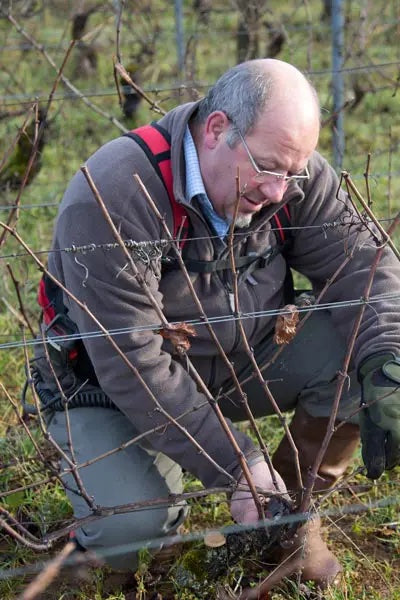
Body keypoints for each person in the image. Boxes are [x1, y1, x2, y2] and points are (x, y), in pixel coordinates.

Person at [34, 59, 400, 586]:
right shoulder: (119, 192)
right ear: (217, 129)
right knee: (135, 526)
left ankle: (286, 521)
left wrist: (387, 359)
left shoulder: (293, 175)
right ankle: (100, 550)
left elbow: (365, 266)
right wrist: (237, 464)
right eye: (269, 167)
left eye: (292, 173)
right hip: (110, 387)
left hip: (242, 356)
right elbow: (134, 362)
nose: (280, 191)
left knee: (359, 353)